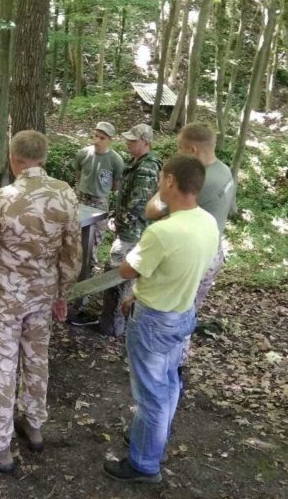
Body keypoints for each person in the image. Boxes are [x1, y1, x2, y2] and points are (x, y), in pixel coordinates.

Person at [0, 130, 81, 474]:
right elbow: (73, 252)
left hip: (6, 299)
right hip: (43, 294)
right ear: (43, 158)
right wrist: (63, 292)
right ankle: (35, 424)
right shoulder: (66, 194)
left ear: (14, 159)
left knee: (1, 363)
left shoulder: (2, 198)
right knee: (36, 357)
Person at [103, 155, 218, 484]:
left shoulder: (164, 232)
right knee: (167, 385)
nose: (157, 184)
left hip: (155, 321)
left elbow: (126, 269)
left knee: (151, 394)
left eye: (161, 179)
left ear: (170, 181)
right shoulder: (207, 221)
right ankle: (149, 438)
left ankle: (143, 464)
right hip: (182, 313)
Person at [145, 123, 236, 369]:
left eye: (180, 148)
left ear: (193, 150)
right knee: (188, 310)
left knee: (172, 311)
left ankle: (164, 364)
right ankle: (176, 362)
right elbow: (231, 210)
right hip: (211, 250)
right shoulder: (225, 171)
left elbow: (152, 211)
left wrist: (162, 185)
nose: (177, 153)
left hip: (190, 256)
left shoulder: (200, 181)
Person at [70, 123, 162, 334]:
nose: (128, 143)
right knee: (115, 270)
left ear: (145, 143)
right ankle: (110, 320)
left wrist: (120, 221)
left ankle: (112, 325)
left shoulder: (146, 167)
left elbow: (138, 202)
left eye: (133, 140)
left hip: (132, 231)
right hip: (127, 227)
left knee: (117, 271)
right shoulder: (137, 162)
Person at [73, 121, 124, 271]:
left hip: (99, 202)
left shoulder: (116, 160)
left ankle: (87, 275)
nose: (97, 141)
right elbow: (78, 175)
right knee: (75, 238)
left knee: (93, 242)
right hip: (81, 198)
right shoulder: (83, 153)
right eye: (95, 136)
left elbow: (116, 185)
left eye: (102, 138)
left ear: (110, 140)